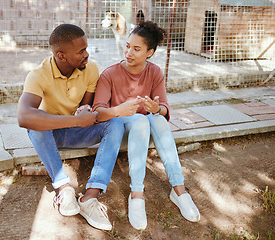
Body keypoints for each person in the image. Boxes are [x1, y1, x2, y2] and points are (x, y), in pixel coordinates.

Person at [92, 21, 200, 230]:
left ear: (149, 52)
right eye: (128, 46)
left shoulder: (155, 72)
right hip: (119, 128)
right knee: (141, 120)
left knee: (156, 119)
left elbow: (165, 110)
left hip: (145, 128)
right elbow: (98, 112)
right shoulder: (110, 74)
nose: (129, 52)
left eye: (137, 49)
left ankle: (179, 190)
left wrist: (155, 108)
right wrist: (120, 109)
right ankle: (137, 193)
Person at [17, 24, 125, 231]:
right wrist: (75, 121)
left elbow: (85, 107)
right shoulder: (38, 75)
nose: (87, 54)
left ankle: (90, 197)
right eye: (81, 51)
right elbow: (23, 117)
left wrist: (84, 115)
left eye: (86, 48)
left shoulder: (90, 69)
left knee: (115, 123)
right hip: (52, 134)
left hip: (77, 132)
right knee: (35, 123)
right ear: (61, 55)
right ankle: (64, 188)